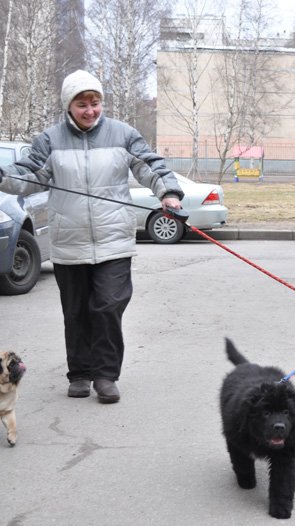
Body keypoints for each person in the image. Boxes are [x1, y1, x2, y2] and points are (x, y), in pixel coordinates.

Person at [0, 70, 183, 404]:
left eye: (95, 102)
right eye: (81, 104)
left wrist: (168, 192)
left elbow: (150, 166)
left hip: (114, 241)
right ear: (69, 106)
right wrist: (4, 176)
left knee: (108, 307)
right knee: (77, 311)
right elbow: (27, 177)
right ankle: (80, 373)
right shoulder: (50, 139)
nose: (89, 110)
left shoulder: (122, 134)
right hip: (70, 244)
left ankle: (105, 375)